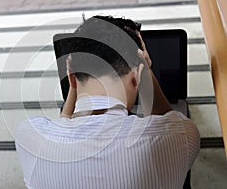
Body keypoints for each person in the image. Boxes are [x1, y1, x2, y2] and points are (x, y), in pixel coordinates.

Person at [15, 15, 200, 189]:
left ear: (71, 78)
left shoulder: (29, 137)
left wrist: (73, 84)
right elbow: (167, 120)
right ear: (136, 76)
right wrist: (145, 71)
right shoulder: (182, 137)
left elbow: (61, 124)